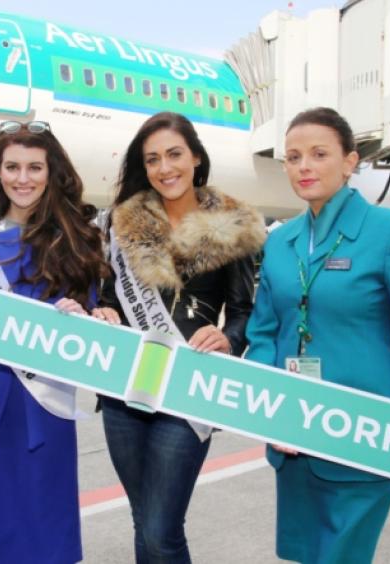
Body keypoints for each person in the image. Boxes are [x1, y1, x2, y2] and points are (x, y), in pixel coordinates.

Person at [245, 107, 390, 563]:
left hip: (364, 429)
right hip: (293, 433)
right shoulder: (280, 242)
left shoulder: (389, 233)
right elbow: (263, 334)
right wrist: (266, 412)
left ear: (350, 162)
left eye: (318, 153)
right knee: (305, 556)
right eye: (292, 157)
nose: (303, 166)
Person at [92, 112, 266, 563]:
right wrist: (104, 308)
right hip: (125, 386)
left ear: (195, 158)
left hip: (189, 387)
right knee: (143, 519)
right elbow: (108, 292)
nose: (164, 168)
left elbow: (246, 309)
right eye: (152, 160)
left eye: (173, 155)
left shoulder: (233, 223)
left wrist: (228, 337)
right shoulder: (122, 222)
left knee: (161, 529)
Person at [0, 120, 108, 564]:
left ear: (52, 173)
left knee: (37, 533)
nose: (22, 178)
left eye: (35, 167)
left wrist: (82, 318)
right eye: (12, 166)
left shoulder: (77, 238)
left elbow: (90, 320)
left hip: (37, 405)